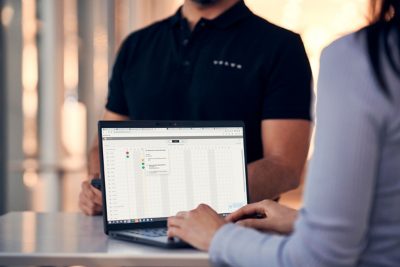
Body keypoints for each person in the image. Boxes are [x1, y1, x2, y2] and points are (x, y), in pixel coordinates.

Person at [167, 0, 400, 266]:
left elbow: (319, 258)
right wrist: (303, 223)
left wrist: (218, 236)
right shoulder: (135, 44)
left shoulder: (361, 58)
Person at [79, 0, 313, 215]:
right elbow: (103, 144)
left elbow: (285, 167)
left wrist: (162, 200)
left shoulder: (281, 47)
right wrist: (101, 188)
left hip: (235, 236)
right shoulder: (136, 45)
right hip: (136, 234)